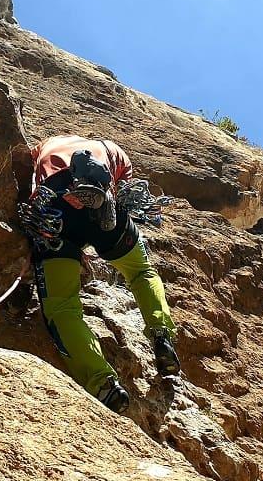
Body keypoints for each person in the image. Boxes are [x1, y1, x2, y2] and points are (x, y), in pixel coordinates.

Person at [17, 134, 179, 413]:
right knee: (141, 272)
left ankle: (103, 382)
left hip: (55, 214)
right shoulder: (110, 149)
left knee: (62, 307)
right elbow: (128, 193)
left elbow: (25, 178)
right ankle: (161, 333)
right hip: (107, 210)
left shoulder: (44, 149)